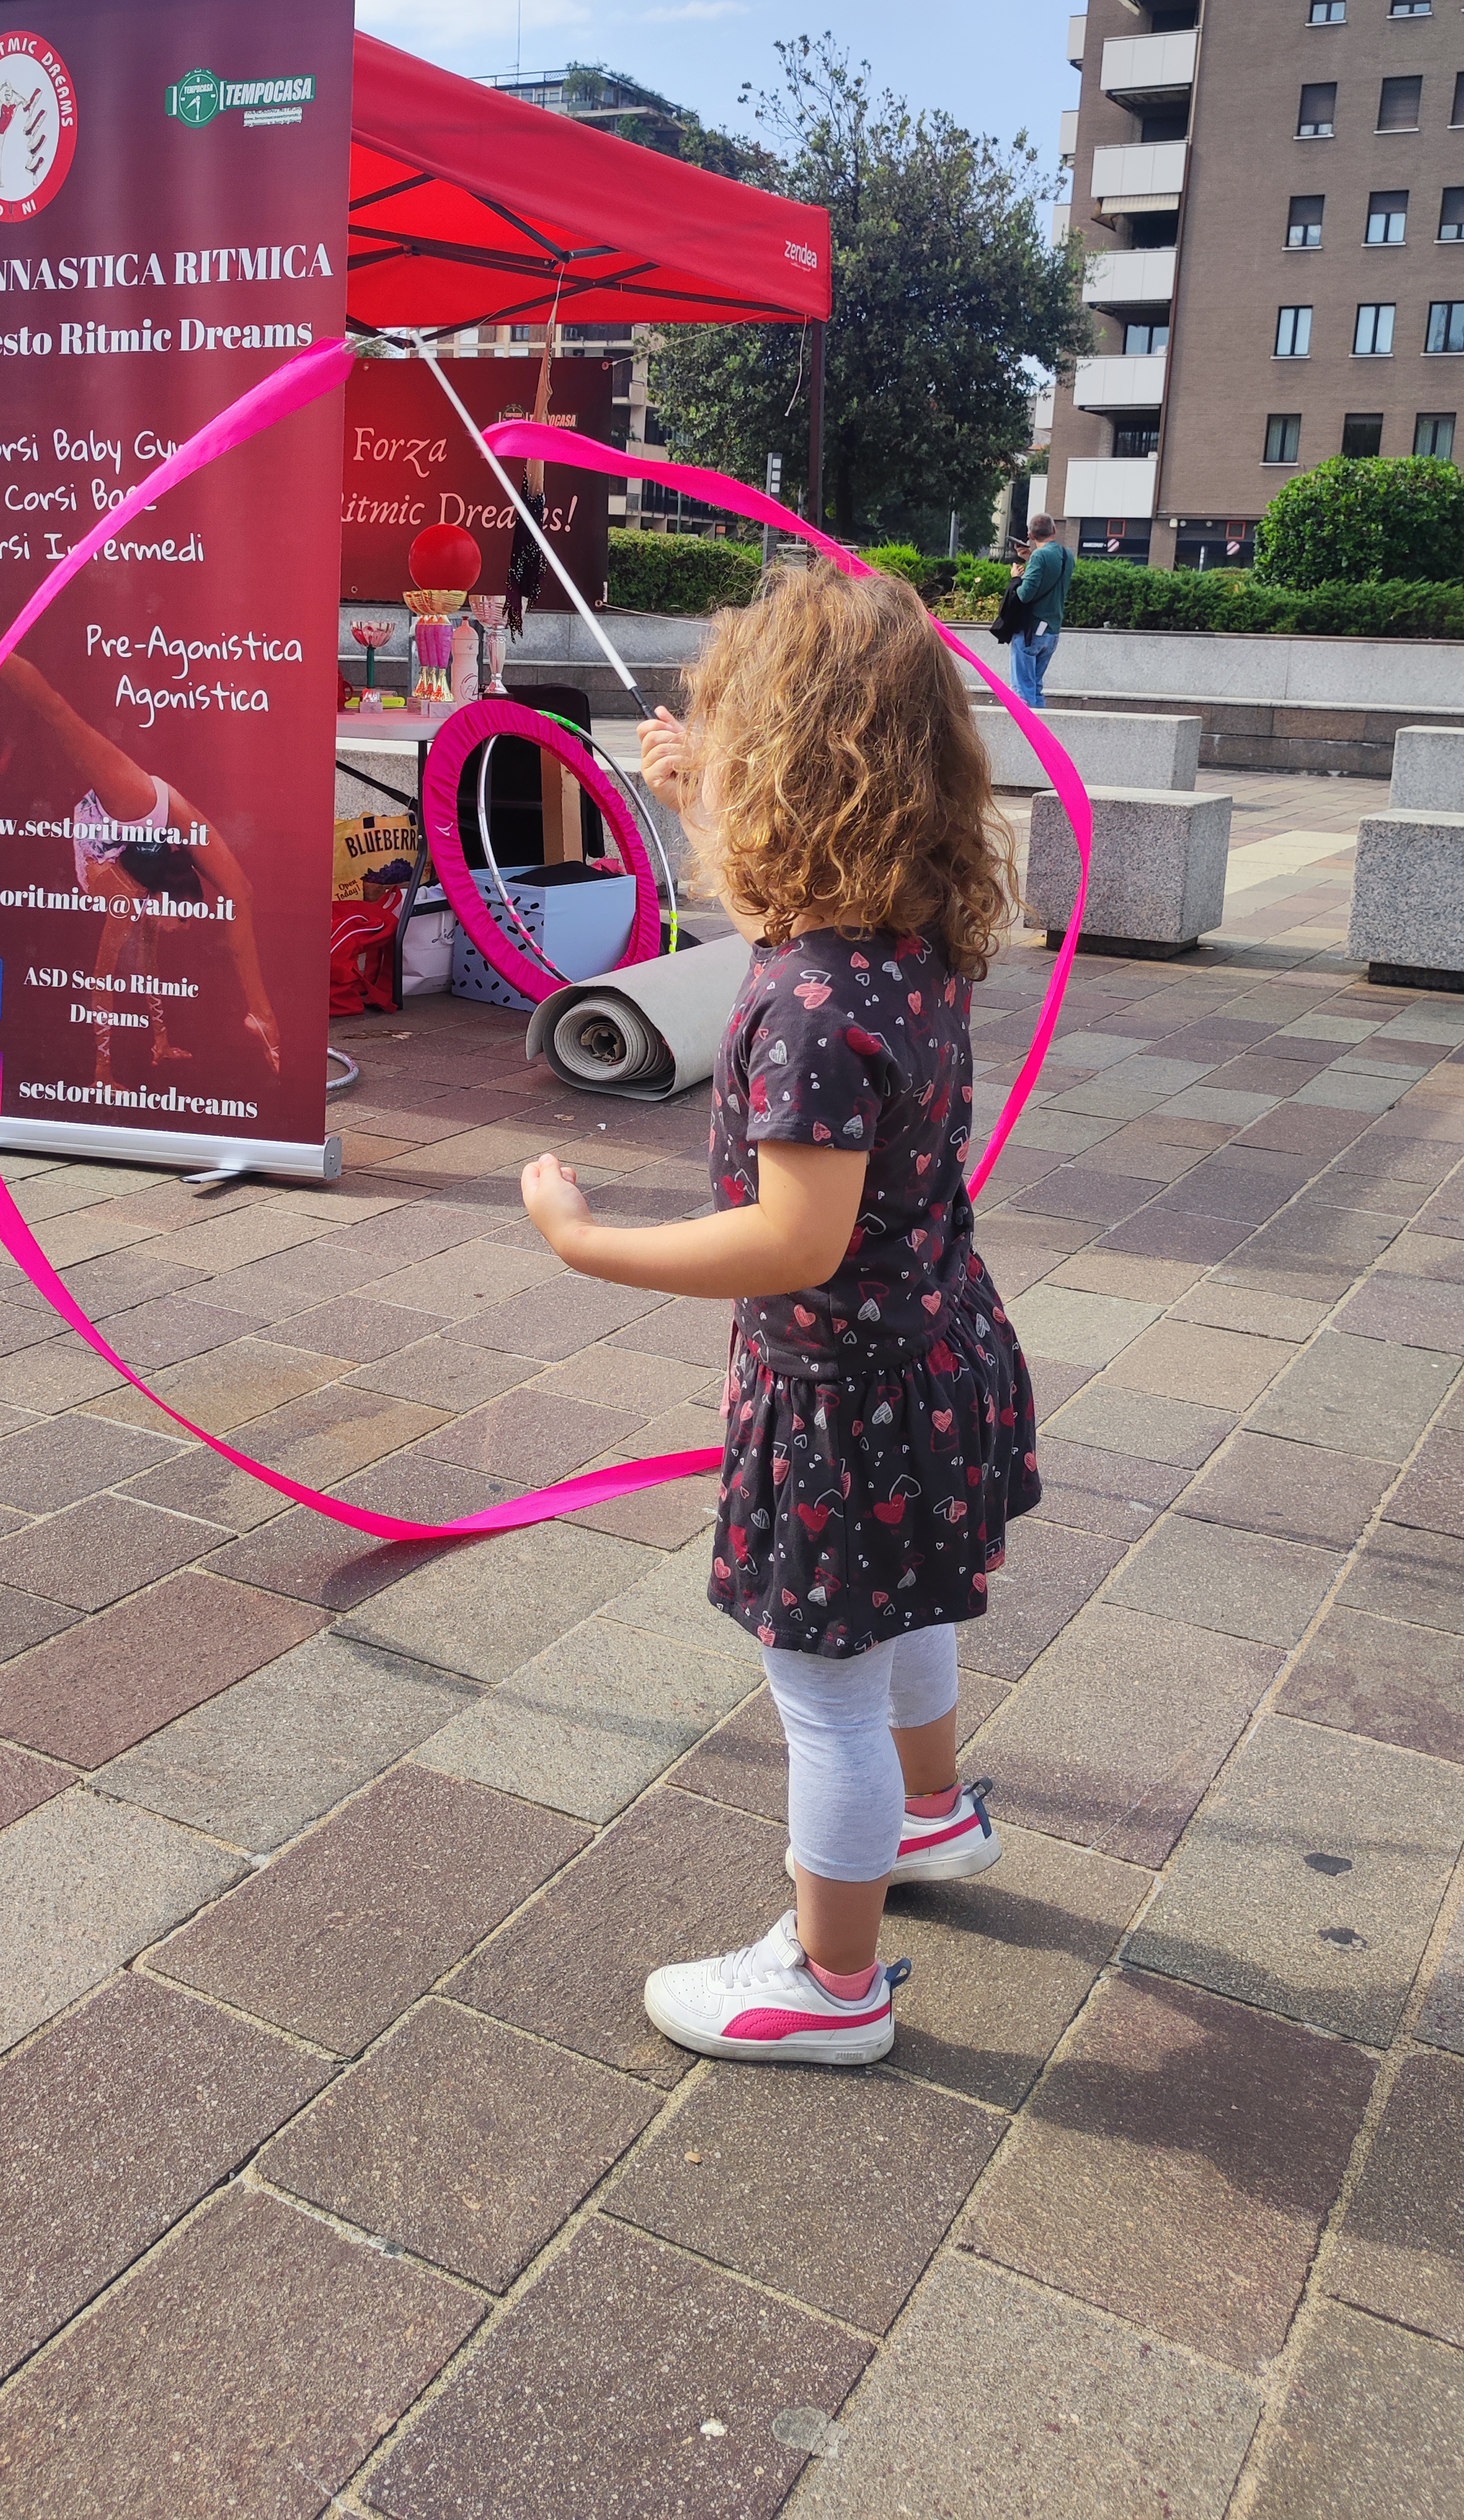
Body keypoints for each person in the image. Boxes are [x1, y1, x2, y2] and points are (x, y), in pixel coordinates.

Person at [518, 559, 1037, 2066]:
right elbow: (778, 893)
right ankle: (934, 1811)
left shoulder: (809, 1001)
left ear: (792, 782)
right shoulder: (900, 935)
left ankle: (832, 1976)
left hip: (841, 1401)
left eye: (733, 747)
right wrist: (693, 784)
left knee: (825, 1694)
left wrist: (590, 1241)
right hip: (936, 1352)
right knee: (913, 1612)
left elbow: (794, 1240)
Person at [0, 584, 283, 1083]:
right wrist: (103, 1067)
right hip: (134, 813)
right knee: (57, 712)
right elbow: (101, 981)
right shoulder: (131, 891)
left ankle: (260, 1016)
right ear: (170, 900)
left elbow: (150, 970)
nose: (174, 931)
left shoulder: (146, 893)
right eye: (179, 921)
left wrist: (161, 1041)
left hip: (138, 828)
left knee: (238, 895)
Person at [1005, 514, 1074, 711]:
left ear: (1030, 535)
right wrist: (1029, 557)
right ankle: (1042, 730)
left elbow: (1025, 595)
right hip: (1052, 632)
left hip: (1031, 631)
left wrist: (1016, 579)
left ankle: (1028, 734)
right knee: (1035, 687)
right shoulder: (1067, 555)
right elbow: (1051, 573)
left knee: (1022, 692)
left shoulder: (1040, 556)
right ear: (1055, 531)